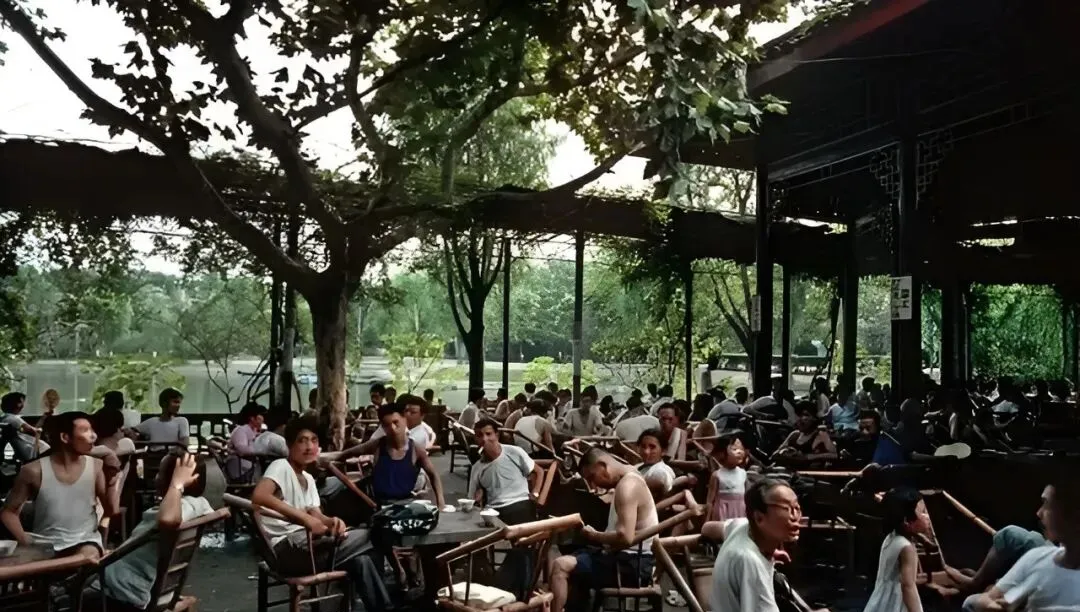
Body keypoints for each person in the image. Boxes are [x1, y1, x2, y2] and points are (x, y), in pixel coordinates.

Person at [251, 415, 391, 612]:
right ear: (289, 445)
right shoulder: (281, 466)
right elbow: (259, 496)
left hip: (309, 547)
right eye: (302, 441)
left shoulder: (308, 478)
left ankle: (383, 608)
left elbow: (316, 514)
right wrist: (304, 519)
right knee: (378, 533)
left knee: (362, 560)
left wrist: (332, 521)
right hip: (286, 551)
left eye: (314, 440)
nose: (309, 447)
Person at [98, 452, 215, 608]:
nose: (156, 478)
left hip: (121, 587)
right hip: (133, 581)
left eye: (161, 473)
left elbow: (168, 519)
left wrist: (177, 484)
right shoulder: (199, 505)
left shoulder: (182, 507)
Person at [550, 448, 659, 612]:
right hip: (629, 558)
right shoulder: (630, 474)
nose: (593, 485)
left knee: (560, 565)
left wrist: (594, 535)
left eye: (592, 477)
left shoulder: (627, 486)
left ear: (603, 466)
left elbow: (625, 537)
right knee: (572, 553)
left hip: (632, 564)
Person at [1, 412, 119, 559]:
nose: (93, 436)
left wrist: (113, 482)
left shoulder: (96, 466)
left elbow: (111, 510)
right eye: (85, 430)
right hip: (45, 546)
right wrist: (25, 540)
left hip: (86, 543)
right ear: (65, 437)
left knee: (87, 554)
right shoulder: (33, 471)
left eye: (92, 430)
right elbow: (8, 512)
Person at [963, 476, 1080, 611]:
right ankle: (978, 581)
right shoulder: (1038, 556)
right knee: (1014, 535)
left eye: (1047, 504)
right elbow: (984, 601)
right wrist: (994, 603)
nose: (1039, 513)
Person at [709, 479, 824, 612]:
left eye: (797, 508)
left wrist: (771, 551)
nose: (795, 517)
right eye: (786, 509)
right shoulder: (750, 561)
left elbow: (707, 528)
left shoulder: (741, 526)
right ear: (759, 518)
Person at [329, 403, 446, 508]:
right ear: (383, 427)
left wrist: (441, 503)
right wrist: (333, 459)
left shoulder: (416, 450)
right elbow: (349, 453)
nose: (393, 429)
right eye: (387, 425)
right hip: (376, 502)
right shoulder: (377, 445)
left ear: (404, 420)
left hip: (404, 504)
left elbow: (433, 475)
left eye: (396, 422)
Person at [864, 488, 929, 612]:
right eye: (923, 512)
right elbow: (908, 586)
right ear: (906, 521)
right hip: (895, 603)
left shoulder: (892, 538)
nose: (927, 517)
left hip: (882, 600)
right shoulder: (906, 548)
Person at [469, 419, 543, 524]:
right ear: (475, 439)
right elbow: (472, 498)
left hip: (519, 503)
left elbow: (538, 471)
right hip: (493, 509)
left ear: (497, 435)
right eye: (480, 435)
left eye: (488, 434)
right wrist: (478, 496)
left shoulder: (514, 452)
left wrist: (535, 493)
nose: (484, 439)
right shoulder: (477, 467)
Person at [705, 434, 748, 522]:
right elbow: (710, 501)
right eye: (734, 449)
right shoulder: (717, 475)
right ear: (722, 453)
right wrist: (707, 520)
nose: (739, 452)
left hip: (740, 512)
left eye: (741, 449)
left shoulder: (743, 474)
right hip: (722, 512)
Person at [1, 391, 48, 462]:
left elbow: (31, 429)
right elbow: (34, 431)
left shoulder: (6, 418)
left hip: (21, 449)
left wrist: (43, 418)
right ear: (18, 404)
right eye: (24, 402)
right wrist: (40, 429)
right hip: (28, 450)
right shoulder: (14, 419)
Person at [226, 401, 266, 481]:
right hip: (239, 467)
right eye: (261, 415)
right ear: (252, 418)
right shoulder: (241, 430)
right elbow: (242, 450)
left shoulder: (254, 430)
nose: (263, 418)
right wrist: (261, 449)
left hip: (248, 465)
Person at [635, 429, 676, 497]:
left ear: (663, 451)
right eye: (643, 447)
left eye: (652, 447)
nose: (646, 452)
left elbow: (660, 479)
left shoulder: (661, 471)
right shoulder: (638, 466)